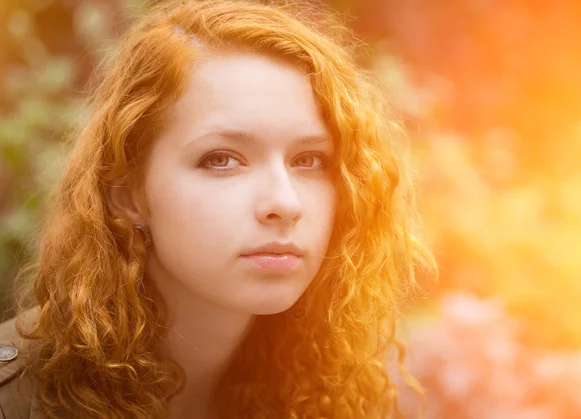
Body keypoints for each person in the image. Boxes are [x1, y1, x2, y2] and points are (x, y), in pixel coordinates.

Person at [0, 0, 435, 418]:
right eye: (222, 159)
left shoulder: (316, 387)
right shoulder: (15, 400)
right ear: (126, 194)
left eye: (309, 160)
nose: (285, 203)